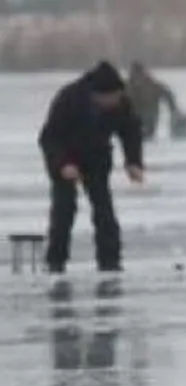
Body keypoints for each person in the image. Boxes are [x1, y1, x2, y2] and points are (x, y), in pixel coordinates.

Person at [38, 60, 144, 274]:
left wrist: (133, 162)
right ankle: (56, 261)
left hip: (96, 158)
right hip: (65, 157)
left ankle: (110, 261)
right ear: (97, 94)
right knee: (64, 210)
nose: (116, 101)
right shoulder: (69, 99)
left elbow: (131, 130)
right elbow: (49, 138)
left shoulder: (120, 102)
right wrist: (63, 165)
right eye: (111, 98)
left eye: (118, 97)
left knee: (104, 210)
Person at [126, 61, 181, 141]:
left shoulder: (153, 86)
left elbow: (167, 95)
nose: (137, 79)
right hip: (132, 119)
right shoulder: (126, 87)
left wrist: (174, 110)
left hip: (149, 119)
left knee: (146, 137)